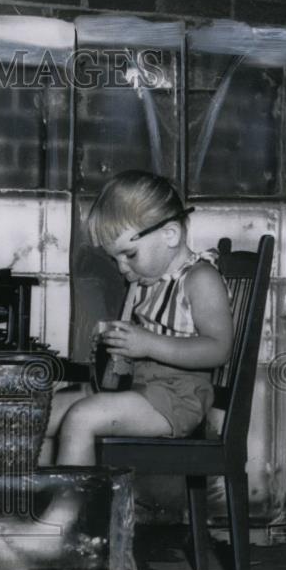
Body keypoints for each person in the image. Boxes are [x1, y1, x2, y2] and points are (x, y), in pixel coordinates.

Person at [44, 170, 234, 466]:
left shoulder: (200, 279)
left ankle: (68, 507)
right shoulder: (146, 280)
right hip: (139, 389)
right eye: (115, 259)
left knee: (82, 418)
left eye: (129, 254)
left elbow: (218, 349)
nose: (122, 268)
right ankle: (34, 500)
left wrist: (147, 344)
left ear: (170, 235)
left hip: (178, 399)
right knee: (42, 412)